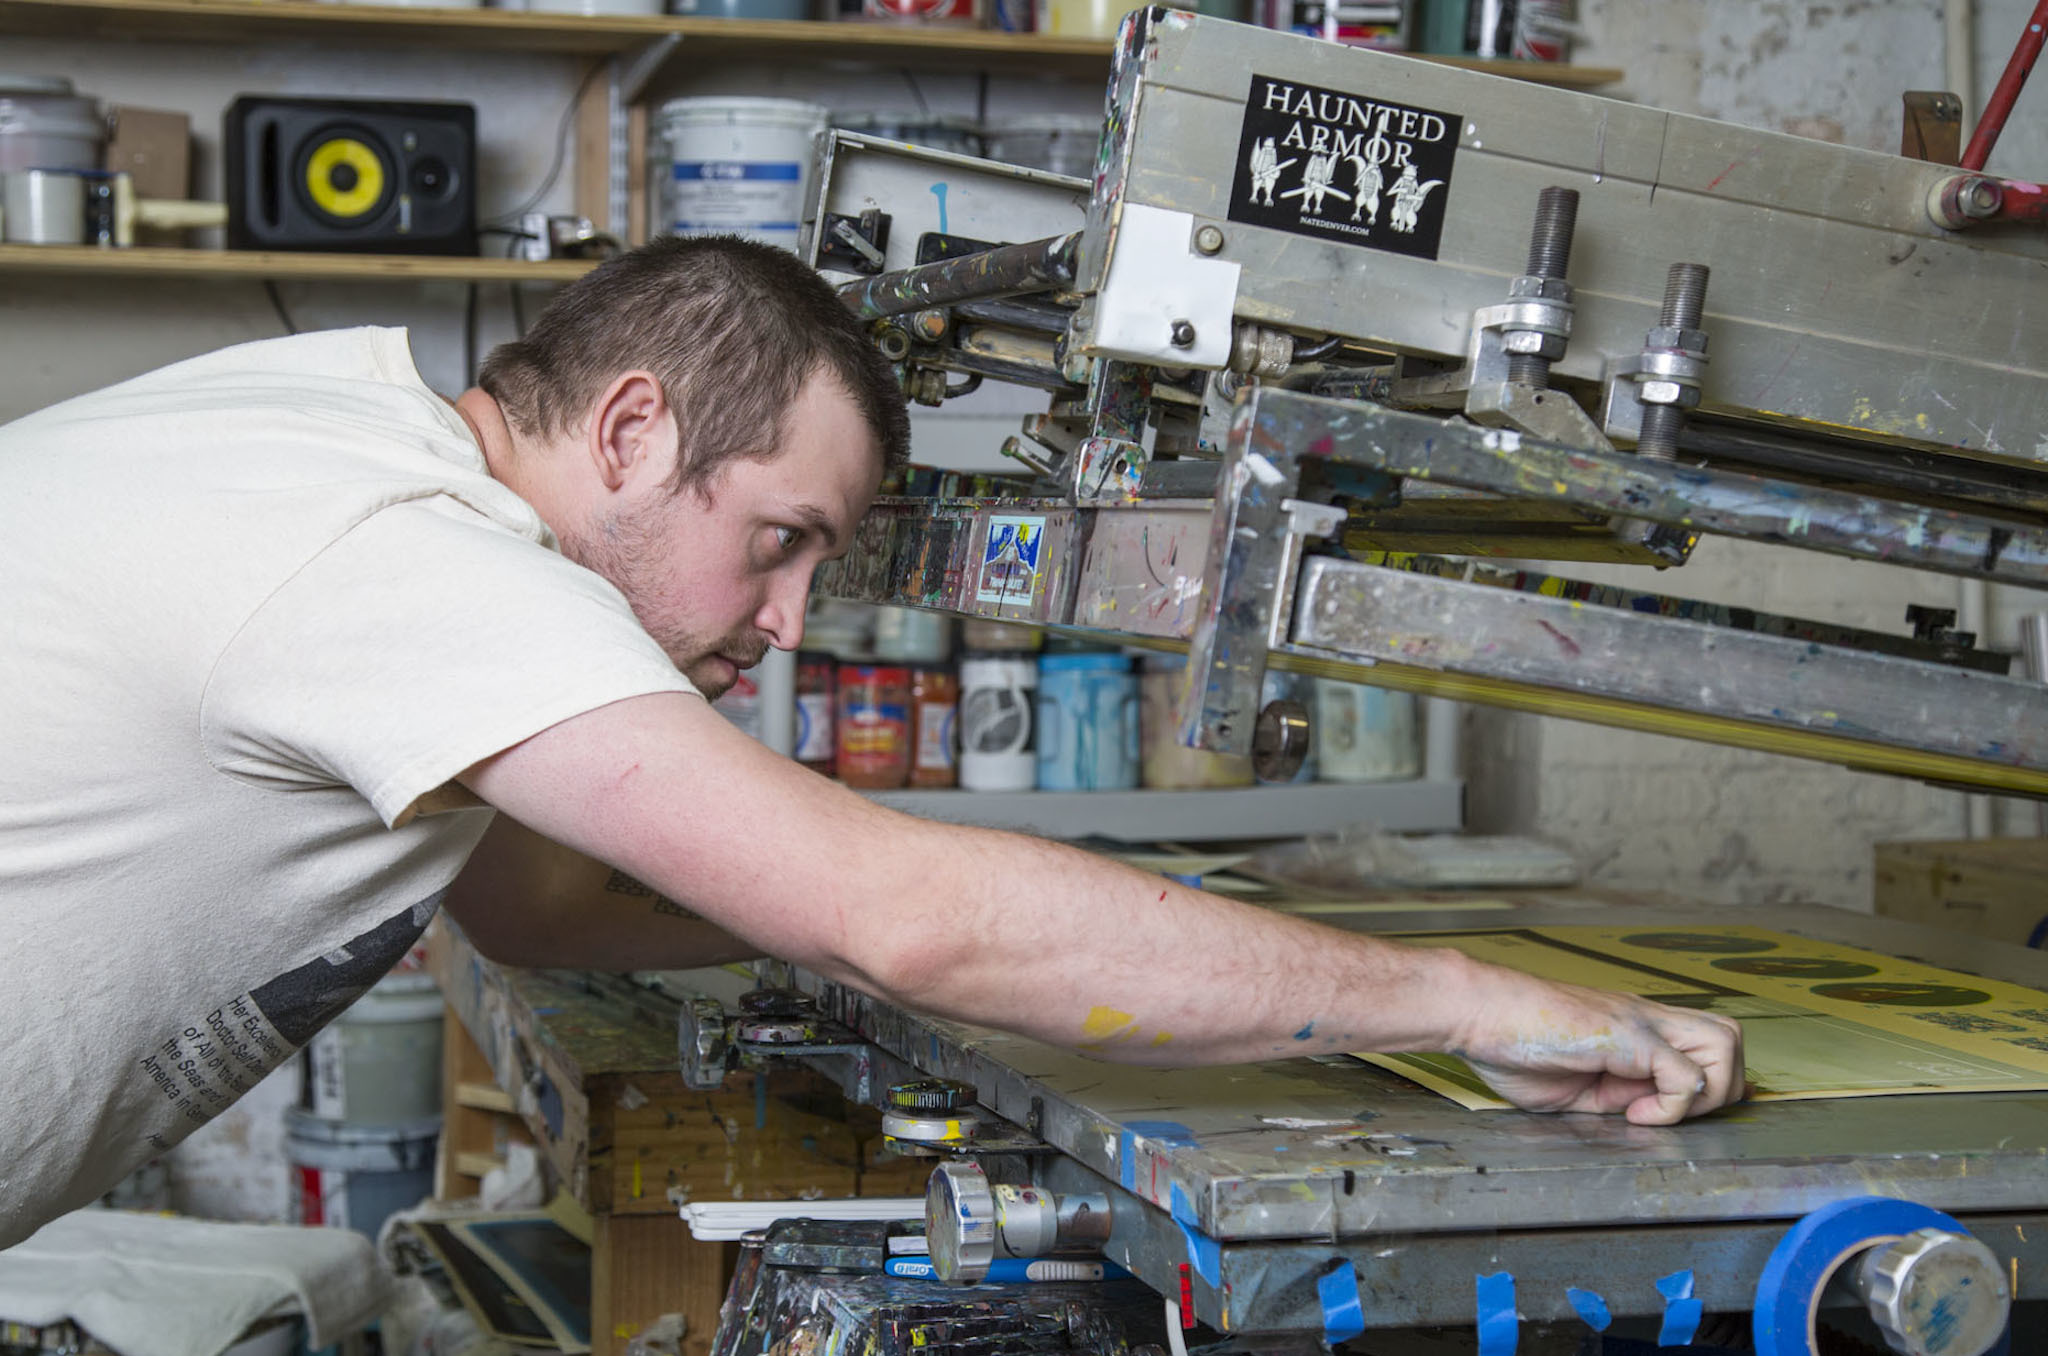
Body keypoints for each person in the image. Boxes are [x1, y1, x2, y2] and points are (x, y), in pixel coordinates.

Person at [0, 235, 1744, 1252]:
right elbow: (894, 913)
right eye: (781, 540)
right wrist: (1456, 997)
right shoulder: (416, 551)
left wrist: (1086, 935)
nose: (781, 624)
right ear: (629, 428)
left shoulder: (328, 429)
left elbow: (539, 905)